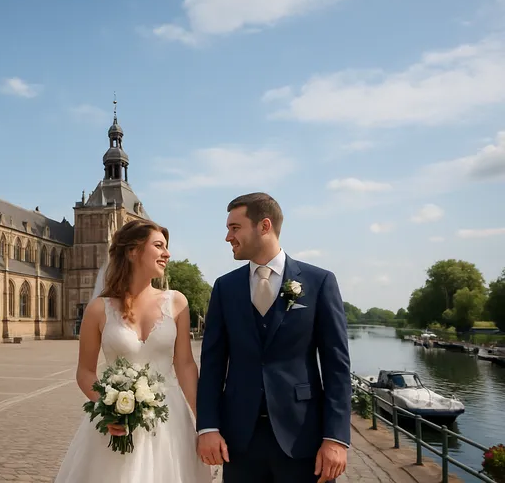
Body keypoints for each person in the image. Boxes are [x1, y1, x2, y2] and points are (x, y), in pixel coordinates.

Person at [196, 193, 351, 483]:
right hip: (239, 442)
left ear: (264, 226)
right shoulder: (224, 288)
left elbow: (336, 367)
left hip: (305, 440)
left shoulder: (319, 282)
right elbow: (212, 365)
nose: (228, 237)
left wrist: (336, 438)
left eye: (235, 228)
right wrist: (208, 428)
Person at [54, 219, 212, 483]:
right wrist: (109, 409)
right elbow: (85, 372)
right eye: (159, 245)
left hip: (170, 422)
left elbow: (185, 365)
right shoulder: (98, 309)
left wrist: (204, 423)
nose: (167, 253)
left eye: (166, 247)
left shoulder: (177, 302)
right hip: (115, 425)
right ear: (132, 251)